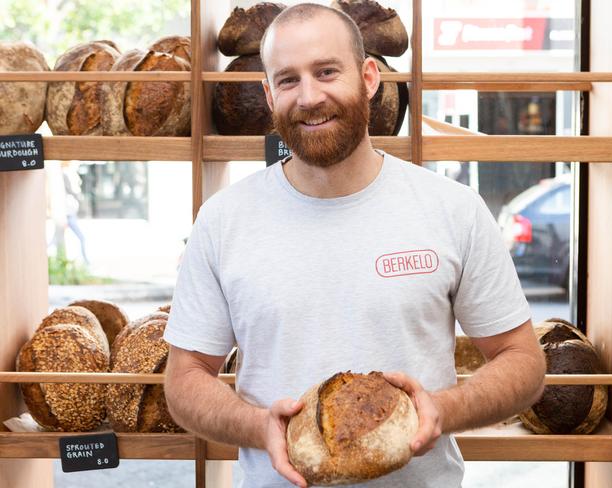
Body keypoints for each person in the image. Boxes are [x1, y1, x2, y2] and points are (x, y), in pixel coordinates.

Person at [163, 4, 546, 488]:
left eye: (326, 72)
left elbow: (524, 362)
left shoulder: (452, 209)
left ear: (369, 77)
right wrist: (258, 427)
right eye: (287, 80)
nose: (309, 97)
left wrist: (441, 410)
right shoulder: (223, 220)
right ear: (268, 94)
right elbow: (185, 379)